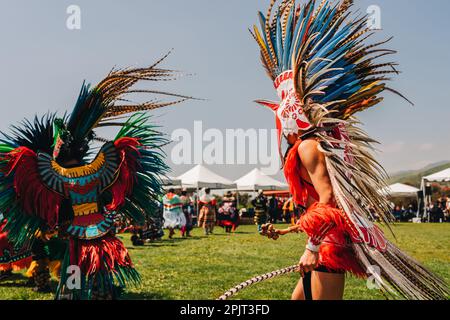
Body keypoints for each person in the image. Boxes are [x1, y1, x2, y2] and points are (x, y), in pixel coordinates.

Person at [252, 0, 448, 300]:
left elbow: (329, 199)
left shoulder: (308, 146)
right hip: (329, 239)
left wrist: (311, 247)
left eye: (282, 111)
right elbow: (325, 201)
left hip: (331, 244)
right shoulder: (316, 144)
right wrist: (287, 232)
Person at [0, 55, 191, 299]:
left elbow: (39, 197)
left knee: (74, 276)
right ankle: (101, 291)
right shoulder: (103, 167)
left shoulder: (51, 174)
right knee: (98, 273)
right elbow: (117, 186)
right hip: (101, 230)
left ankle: (77, 293)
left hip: (73, 235)